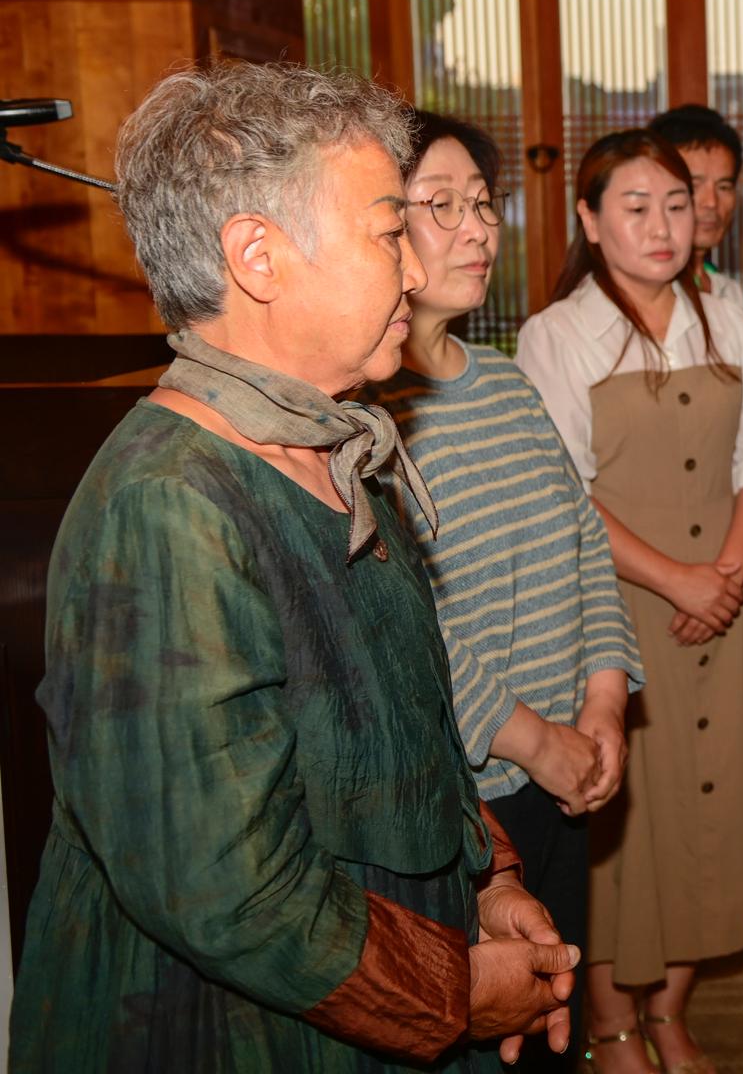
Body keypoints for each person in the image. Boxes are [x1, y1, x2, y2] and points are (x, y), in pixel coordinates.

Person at [10, 62, 579, 1071]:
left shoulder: (338, 446)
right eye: (386, 230)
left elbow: (412, 733)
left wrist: (491, 880)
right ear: (259, 256)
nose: (413, 270)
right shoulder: (170, 505)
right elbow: (230, 886)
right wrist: (455, 989)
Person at [515, 129, 743, 1074]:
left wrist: (724, 574)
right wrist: (678, 579)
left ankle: (671, 1015)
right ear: (589, 221)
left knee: (709, 809)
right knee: (624, 821)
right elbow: (564, 494)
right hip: (618, 612)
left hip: (727, 602)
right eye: (634, 207)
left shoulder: (723, 311)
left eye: (677, 205)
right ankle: (609, 1025)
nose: (662, 225)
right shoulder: (555, 335)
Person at [364, 111, 648, 1070]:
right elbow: (413, 626)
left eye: (482, 205)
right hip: (471, 801)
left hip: (571, 769)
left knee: (555, 1021)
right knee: (486, 1041)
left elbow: (582, 544)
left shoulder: (505, 381)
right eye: (439, 207)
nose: (479, 229)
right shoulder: (363, 415)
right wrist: (537, 742)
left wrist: (605, 705)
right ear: (375, 227)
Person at [647, 104, 743, 306]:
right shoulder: (644, 293)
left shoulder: (728, 291)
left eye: (724, 186)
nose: (711, 202)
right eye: (694, 185)